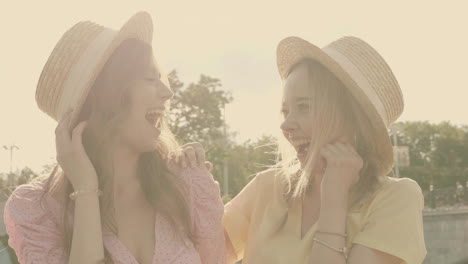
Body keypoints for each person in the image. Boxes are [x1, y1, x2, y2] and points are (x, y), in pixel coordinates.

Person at [3, 12, 225, 264]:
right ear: (105, 95)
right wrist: (85, 189)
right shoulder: (37, 209)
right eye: (150, 79)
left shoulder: (189, 183)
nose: (168, 92)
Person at [220, 36, 427, 263]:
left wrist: (334, 198)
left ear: (353, 119)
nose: (285, 125)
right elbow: (200, 253)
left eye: (304, 107)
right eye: (285, 111)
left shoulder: (395, 198)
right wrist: (190, 179)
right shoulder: (267, 187)